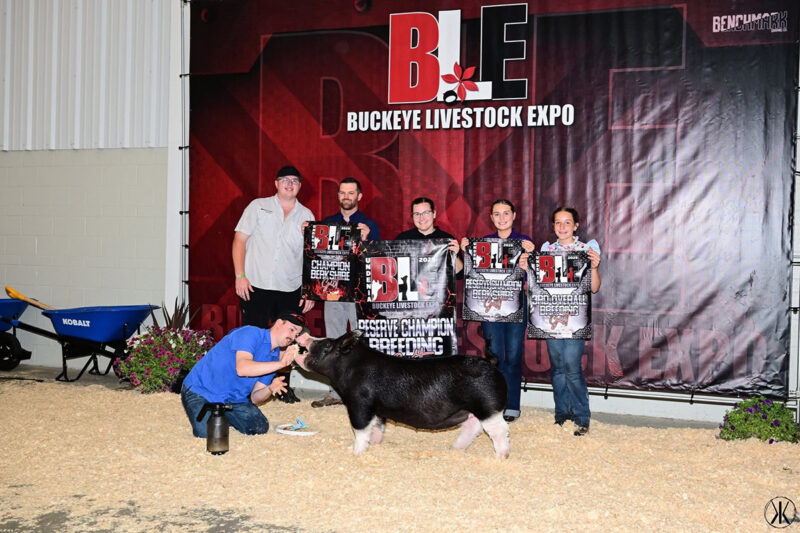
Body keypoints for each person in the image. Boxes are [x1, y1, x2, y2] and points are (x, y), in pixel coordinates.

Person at [232, 165, 315, 403]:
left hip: (290, 288)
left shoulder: (307, 216)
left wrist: (309, 290)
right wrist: (240, 276)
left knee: (288, 340)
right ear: (276, 183)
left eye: (295, 181)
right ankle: (247, 388)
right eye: (285, 180)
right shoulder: (257, 207)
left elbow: (312, 256)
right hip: (255, 285)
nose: (290, 184)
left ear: (300, 186)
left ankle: (282, 387)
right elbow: (239, 240)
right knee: (252, 337)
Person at [522, 206, 601, 437]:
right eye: (558, 223)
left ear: (576, 226)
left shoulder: (587, 250)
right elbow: (537, 289)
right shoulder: (546, 250)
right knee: (557, 368)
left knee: (572, 368)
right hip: (551, 319)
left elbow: (594, 288)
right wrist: (527, 270)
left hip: (575, 320)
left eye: (567, 223)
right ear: (553, 226)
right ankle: (561, 415)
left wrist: (594, 267)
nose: (562, 227)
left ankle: (581, 417)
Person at [461, 199, 533, 423]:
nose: (501, 218)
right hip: (489, 305)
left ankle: (512, 405)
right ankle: (494, 403)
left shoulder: (526, 242)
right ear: (491, 218)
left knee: (513, 355)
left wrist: (529, 262)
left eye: (505, 214)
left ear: (514, 215)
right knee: (494, 356)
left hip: (514, 304)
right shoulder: (483, 243)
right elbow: (471, 276)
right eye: (497, 214)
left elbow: (535, 279)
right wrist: (466, 251)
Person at [312, 177, 380, 408]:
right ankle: (335, 392)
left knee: (363, 341)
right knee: (334, 341)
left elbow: (378, 260)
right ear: (338, 195)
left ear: (359, 196)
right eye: (342, 192)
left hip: (360, 294)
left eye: (351, 193)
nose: (346, 197)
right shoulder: (327, 223)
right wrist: (308, 235)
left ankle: (366, 390)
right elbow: (315, 258)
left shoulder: (370, 225)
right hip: (333, 292)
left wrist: (368, 239)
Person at [180, 313, 307, 438]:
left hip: (233, 399)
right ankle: (217, 415)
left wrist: (270, 388)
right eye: (291, 330)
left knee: (259, 427)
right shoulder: (250, 333)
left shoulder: (274, 358)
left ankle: (222, 415)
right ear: (279, 323)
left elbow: (255, 397)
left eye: (296, 335)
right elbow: (242, 368)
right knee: (210, 434)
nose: (292, 337)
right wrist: (281, 363)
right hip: (201, 390)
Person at [396, 197, 463, 274]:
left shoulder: (447, 239)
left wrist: (455, 255)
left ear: (434, 214)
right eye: (417, 214)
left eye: (426, 213)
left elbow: (459, 275)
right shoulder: (402, 239)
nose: (421, 218)